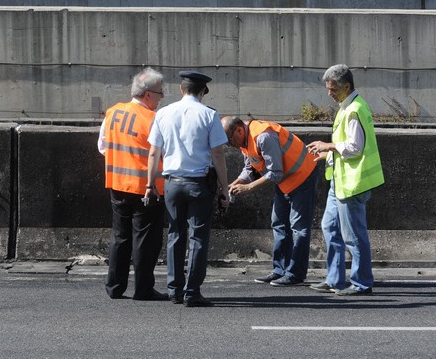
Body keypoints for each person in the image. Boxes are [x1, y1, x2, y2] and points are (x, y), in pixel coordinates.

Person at [145, 71, 230, 307]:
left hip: (172, 182)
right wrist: (225, 187)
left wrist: (150, 185)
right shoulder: (209, 115)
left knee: (175, 235)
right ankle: (192, 292)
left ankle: (174, 289)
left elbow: (154, 152)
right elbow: (217, 153)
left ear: (182, 89)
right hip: (199, 183)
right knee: (198, 237)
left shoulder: (162, 113)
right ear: (202, 92)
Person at [306, 64, 385, 296]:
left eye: (332, 89)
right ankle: (335, 279)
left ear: (346, 86)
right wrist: (327, 154)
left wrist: (327, 145)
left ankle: (362, 283)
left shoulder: (353, 110)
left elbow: (354, 147)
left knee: (354, 236)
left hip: (352, 183)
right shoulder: (346, 107)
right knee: (329, 227)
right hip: (340, 182)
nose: (329, 93)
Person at [221, 116, 320, 286]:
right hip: (285, 181)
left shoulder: (263, 136)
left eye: (230, 141)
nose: (230, 145)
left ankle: (295, 273)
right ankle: (279, 270)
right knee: (279, 223)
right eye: (227, 144)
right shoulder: (245, 139)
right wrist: (236, 183)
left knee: (299, 228)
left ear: (238, 129)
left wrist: (249, 187)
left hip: (302, 176)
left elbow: (275, 173)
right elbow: (250, 168)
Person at [98, 67, 168, 301]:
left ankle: (114, 287)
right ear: (148, 94)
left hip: (117, 183)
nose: (160, 98)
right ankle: (143, 289)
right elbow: (163, 154)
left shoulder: (113, 112)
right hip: (145, 188)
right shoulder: (153, 119)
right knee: (145, 241)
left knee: (120, 236)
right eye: (160, 93)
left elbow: (102, 147)